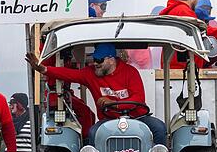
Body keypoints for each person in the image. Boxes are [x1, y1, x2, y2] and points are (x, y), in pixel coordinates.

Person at [25, 43, 167, 146]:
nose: (95, 63)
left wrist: (112, 103)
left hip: (138, 118)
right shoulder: (90, 73)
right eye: (94, 60)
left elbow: (138, 99)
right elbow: (68, 74)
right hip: (109, 120)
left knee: (159, 128)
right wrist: (43, 69)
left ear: (111, 60)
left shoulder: (130, 72)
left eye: (99, 60)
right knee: (93, 133)